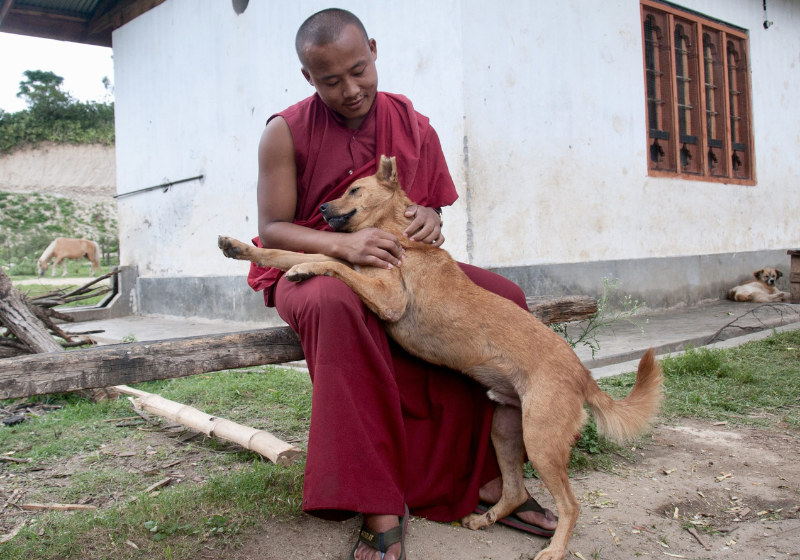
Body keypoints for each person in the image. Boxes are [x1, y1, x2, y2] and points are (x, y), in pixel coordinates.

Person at [248, 8, 557, 560]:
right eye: (330, 81)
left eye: (359, 70)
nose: (350, 90)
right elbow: (272, 228)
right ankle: (378, 504)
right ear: (308, 79)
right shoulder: (285, 131)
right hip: (312, 262)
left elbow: (428, 204)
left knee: (505, 297)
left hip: (395, 260)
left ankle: (490, 478)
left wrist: (432, 217)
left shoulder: (412, 123)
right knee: (334, 303)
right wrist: (342, 246)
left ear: (372, 48)